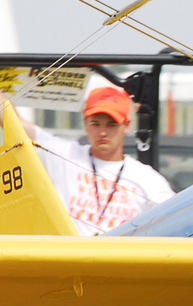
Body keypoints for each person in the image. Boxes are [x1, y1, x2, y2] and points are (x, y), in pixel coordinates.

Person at [6, 85, 174, 234]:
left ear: (127, 126)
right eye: (96, 124)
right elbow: (13, 120)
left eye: (111, 125)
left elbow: (175, 218)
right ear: (86, 124)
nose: (102, 132)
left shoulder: (146, 178)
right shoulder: (65, 155)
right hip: (68, 262)